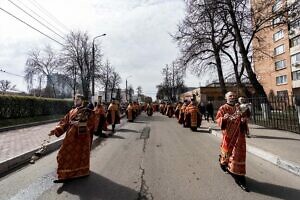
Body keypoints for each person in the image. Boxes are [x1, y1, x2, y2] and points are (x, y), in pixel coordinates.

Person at [48, 94, 97, 183]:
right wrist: (55, 130)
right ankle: (65, 175)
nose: (75, 101)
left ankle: (82, 172)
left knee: (80, 156)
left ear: (82, 100)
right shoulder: (72, 111)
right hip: (71, 138)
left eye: (77, 99)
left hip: (82, 138)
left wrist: (80, 124)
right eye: (75, 99)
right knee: (62, 155)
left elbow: (91, 123)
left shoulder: (88, 111)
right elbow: (64, 122)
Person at [216, 91, 250, 192]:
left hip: (240, 136)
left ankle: (239, 177)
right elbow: (218, 119)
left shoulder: (238, 107)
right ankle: (223, 163)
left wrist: (244, 119)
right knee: (227, 153)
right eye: (230, 95)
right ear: (226, 97)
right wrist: (224, 119)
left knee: (238, 156)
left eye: (234, 96)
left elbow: (245, 116)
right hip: (229, 136)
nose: (232, 97)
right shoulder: (223, 108)